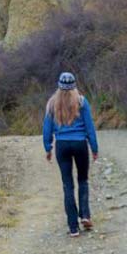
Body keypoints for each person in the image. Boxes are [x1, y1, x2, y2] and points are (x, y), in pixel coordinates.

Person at [42, 72, 99, 237]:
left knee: (68, 185)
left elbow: (47, 129)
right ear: (74, 86)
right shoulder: (82, 101)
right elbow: (90, 127)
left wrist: (48, 147)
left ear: (59, 86)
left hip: (62, 146)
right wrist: (94, 148)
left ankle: (73, 227)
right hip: (80, 144)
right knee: (83, 180)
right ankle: (85, 215)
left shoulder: (52, 104)